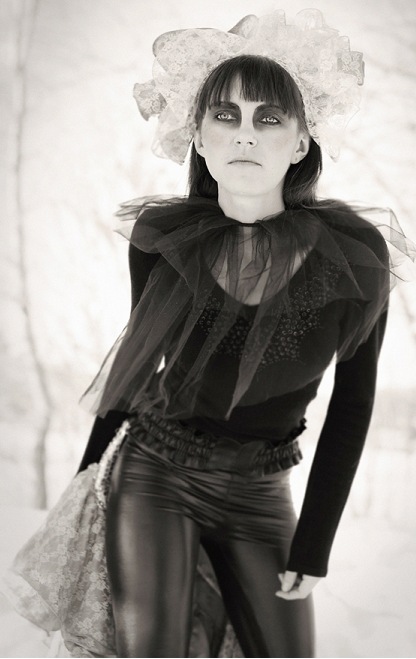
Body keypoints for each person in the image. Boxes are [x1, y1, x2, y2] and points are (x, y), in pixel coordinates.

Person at [3, 8, 414, 659]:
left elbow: (354, 402)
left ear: (301, 142)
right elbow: (137, 361)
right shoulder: (162, 241)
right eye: (226, 115)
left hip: (262, 492)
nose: (245, 133)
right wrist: (84, 486)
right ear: (197, 135)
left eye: (269, 118)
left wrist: (314, 542)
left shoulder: (355, 256)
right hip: (156, 475)